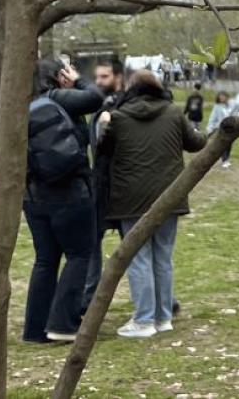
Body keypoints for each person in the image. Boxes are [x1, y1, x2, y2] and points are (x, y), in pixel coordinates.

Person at [100, 70, 206, 338]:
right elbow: (196, 143)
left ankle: (144, 319)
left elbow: (103, 149)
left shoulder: (119, 118)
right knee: (163, 257)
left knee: (138, 259)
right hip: (169, 196)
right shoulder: (173, 113)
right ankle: (163, 317)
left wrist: (104, 124)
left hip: (131, 198)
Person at [23, 57, 103, 344]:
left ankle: (35, 328)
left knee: (45, 260)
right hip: (70, 192)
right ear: (58, 75)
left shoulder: (19, 105)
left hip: (33, 196)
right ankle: (62, 324)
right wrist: (78, 79)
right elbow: (96, 98)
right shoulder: (58, 98)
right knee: (79, 254)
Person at [82, 59, 125, 315]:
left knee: (134, 242)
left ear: (118, 77)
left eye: (105, 77)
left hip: (121, 186)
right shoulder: (99, 107)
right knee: (92, 242)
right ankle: (89, 298)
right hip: (99, 185)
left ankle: (162, 297)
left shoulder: (123, 106)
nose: (99, 82)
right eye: (97, 77)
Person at [205, 91, 234, 168]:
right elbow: (212, 118)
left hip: (230, 129)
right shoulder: (217, 107)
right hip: (220, 128)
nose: (222, 98)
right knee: (223, 145)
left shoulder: (231, 105)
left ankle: (227, 159)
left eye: (223, 96)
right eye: (220, 97)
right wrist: (209, 128)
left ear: (226, 97)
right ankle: (224, 160)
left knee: (229, 145)